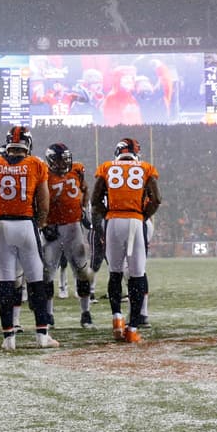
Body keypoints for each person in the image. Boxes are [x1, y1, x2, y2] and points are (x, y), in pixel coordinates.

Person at [0, 126, 58, 350]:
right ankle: (42, 336)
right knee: (35, 281)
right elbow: (43, 201)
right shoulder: (36, 164)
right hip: (26, 224)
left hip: (3, 225)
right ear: (28, 143)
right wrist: (40, 223)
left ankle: (9, 338)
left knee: (6, 282)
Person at [91, 136, 160, 343]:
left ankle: (117, 317)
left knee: (115, 272)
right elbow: (156, 199)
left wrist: (108, 214)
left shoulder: (106, 167)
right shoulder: (146, 168)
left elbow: (95, 199)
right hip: (134, 221)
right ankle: (132, 328)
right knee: (137, 275)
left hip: (113, 221)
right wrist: (143, 215)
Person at [42, 142, 96, 328]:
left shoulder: (77, 170)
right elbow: (37, 200)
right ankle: (48, 315)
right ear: (50, 161)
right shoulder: (44, 174)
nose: (62, 164)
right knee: (48, 273)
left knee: (81, 271)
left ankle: (86, 312)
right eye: (58, 160)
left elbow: (86, 189)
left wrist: (83, 209)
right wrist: (43, 224)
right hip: (53, 228)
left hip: (73, 226)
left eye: (65, 160)